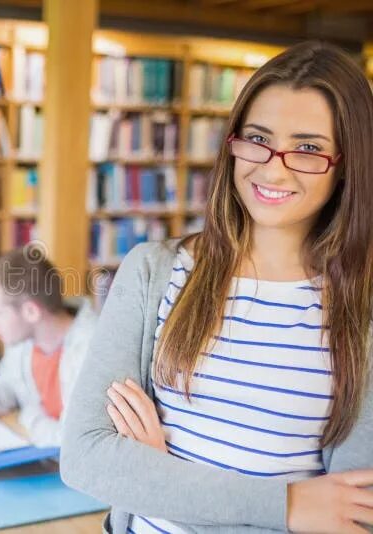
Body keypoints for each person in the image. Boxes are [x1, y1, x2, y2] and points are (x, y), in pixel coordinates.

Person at [61, 41, 373, 533]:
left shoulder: (362, 313)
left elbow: (349, 519)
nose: (273, 168)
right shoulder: (152, 272)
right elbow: (85, 456)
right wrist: (289, 505)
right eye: (258, 138)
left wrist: (158, 478)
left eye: (309, 148)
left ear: (348, 163)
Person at [0, 245, 97, 446]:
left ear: (31, 312)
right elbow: (9, 386)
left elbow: (73, 440)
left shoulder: (92, 350)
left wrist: (29, 416)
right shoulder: (24, 340)